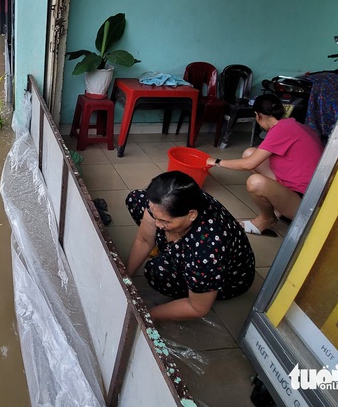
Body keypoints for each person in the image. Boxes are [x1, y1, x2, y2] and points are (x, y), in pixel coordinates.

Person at [126, 171, 255, 322]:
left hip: (227, 280)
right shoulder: (172, 202)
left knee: (158, 271)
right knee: (136, 199)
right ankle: (169, 246)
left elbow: (198, 308)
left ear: (192, 215)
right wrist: (125, 278)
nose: (158, 225)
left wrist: (145, 315)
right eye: (155, 217)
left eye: (165, 221)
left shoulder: (207, 249)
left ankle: (185, 280)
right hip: (193, 246)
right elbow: (144, 240)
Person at [205, 93, 324, 236]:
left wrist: (216, 162)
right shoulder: (292, 124)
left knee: (255, 182)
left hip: (306, 204)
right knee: (250, 152)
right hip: (306, 192)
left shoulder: (281, 129)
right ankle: (279, 209)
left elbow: (248, 165)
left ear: (258, 115)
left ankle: (267, 219)